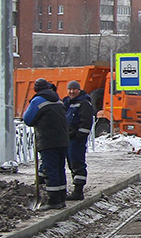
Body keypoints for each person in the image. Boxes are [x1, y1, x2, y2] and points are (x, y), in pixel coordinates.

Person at [23, 78, 69, 210]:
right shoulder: (58, 99)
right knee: (60, 169)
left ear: (36, 89)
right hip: (62, 139)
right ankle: (61, 197)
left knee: (51, 170)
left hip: (48, 139)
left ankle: (54, 201)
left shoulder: (37, 101)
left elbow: (28, 119)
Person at [64, 80, 94, 200]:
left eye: (74, 89)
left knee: (77, 163)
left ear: (79, 90)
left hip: (76, 140)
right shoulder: (67, 102)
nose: (71, 92)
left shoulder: (84, 103)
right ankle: (75, 188)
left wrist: (79, 137)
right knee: (71, 163)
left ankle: (78, 191)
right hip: (68, 139)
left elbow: (86, 122)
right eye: (70, 89)